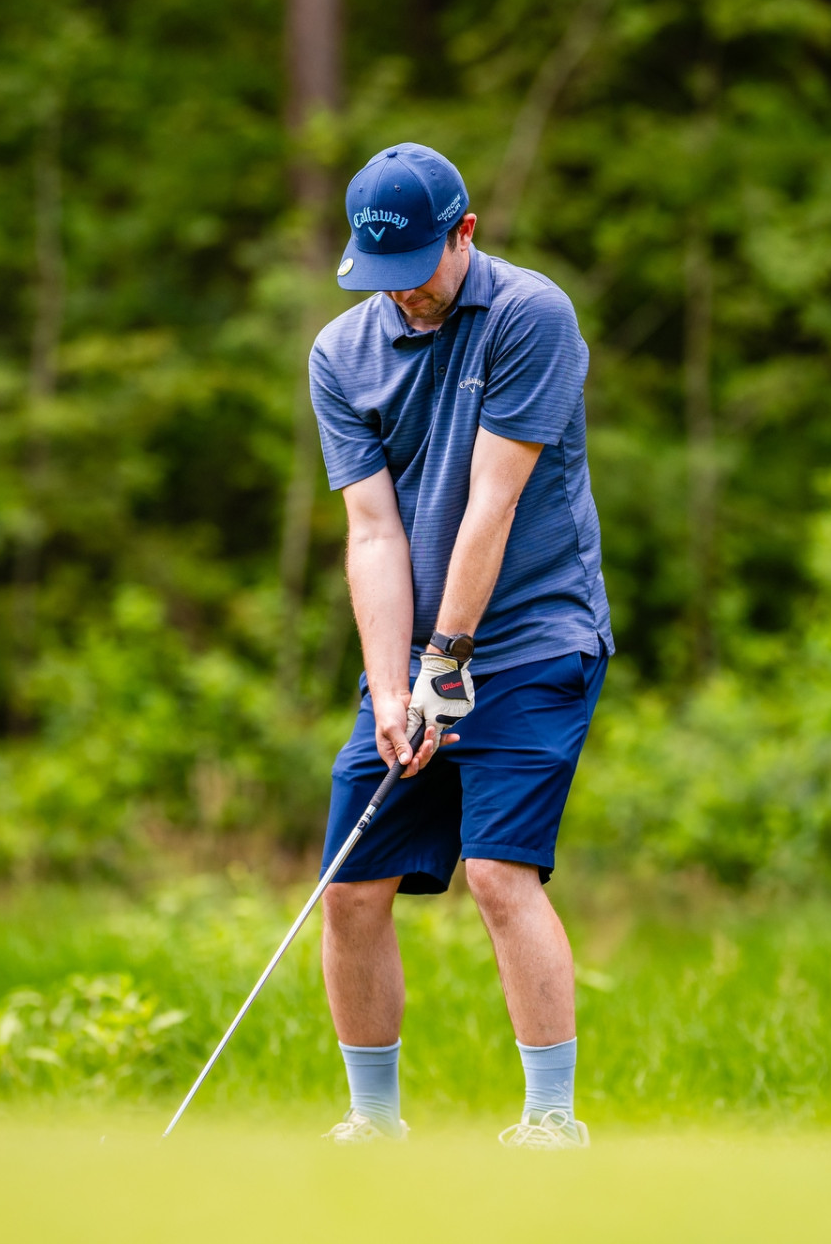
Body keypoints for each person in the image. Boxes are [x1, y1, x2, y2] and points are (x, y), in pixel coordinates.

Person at [309, 143, 613, 1149]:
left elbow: (492, 501)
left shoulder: (531, 314)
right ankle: (374, 1125)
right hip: (414, 654)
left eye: (417, 270)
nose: (402, 294)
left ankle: (551, 1120)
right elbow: (373, 533)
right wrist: (394, 689)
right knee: (350, 887)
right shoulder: (339, 354)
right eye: (381, 275)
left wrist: (446, 661)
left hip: (534, 637)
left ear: (465, 232)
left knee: (495, 872)